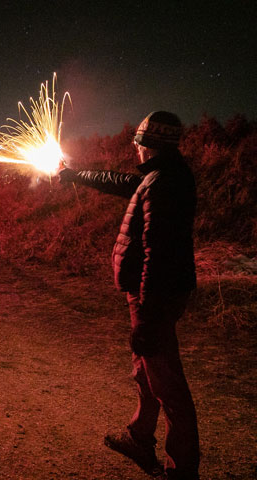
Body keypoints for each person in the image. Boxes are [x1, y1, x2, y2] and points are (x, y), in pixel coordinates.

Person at [58, 111, 200, 480]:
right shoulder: (160, 177)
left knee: (167, 383)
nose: (135, 148)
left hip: (154, 295)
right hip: (150, 293)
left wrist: (149, 314)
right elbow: (120, 182)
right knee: (146, 371)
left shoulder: (162, 183)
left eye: (138, 142)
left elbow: (158, 253)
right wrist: (75, 175)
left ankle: (182, 470)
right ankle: (139, 437)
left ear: (149, 145)